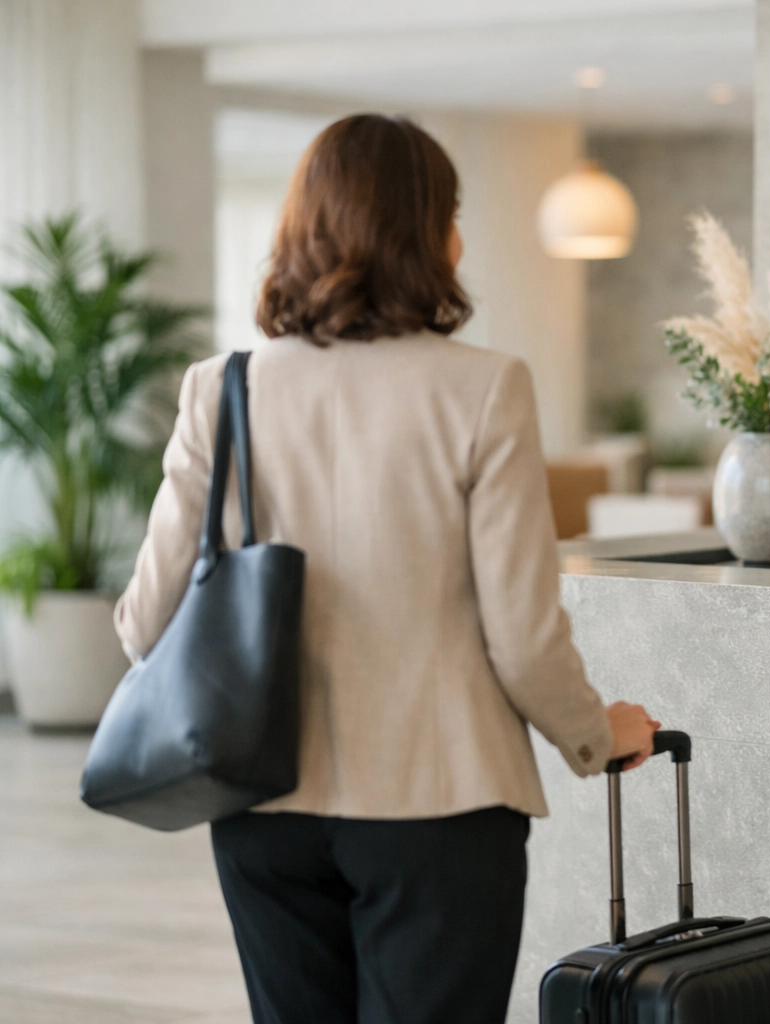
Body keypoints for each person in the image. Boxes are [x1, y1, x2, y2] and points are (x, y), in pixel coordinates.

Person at [114, 114, 660, 1024]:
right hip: (438, 808)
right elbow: (522, 636)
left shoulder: (225, 387)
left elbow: (143, 624)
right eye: (452, 213)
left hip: (262, 804)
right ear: (428, 236)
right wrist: (597, 735)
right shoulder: (483, 387)